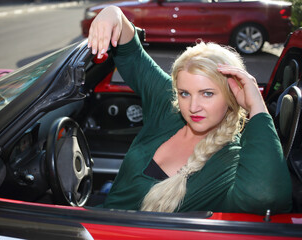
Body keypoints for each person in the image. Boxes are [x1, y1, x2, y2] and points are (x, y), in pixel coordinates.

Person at [88, 6, 292, 214]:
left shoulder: (233, 161)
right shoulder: (169, 106)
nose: (193, 107)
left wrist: (256, 105)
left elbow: (267, 196)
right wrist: (112, 13)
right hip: (98, 221)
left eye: (207, 94)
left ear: (232, 95)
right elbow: (132, 54)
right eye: (185, 93)